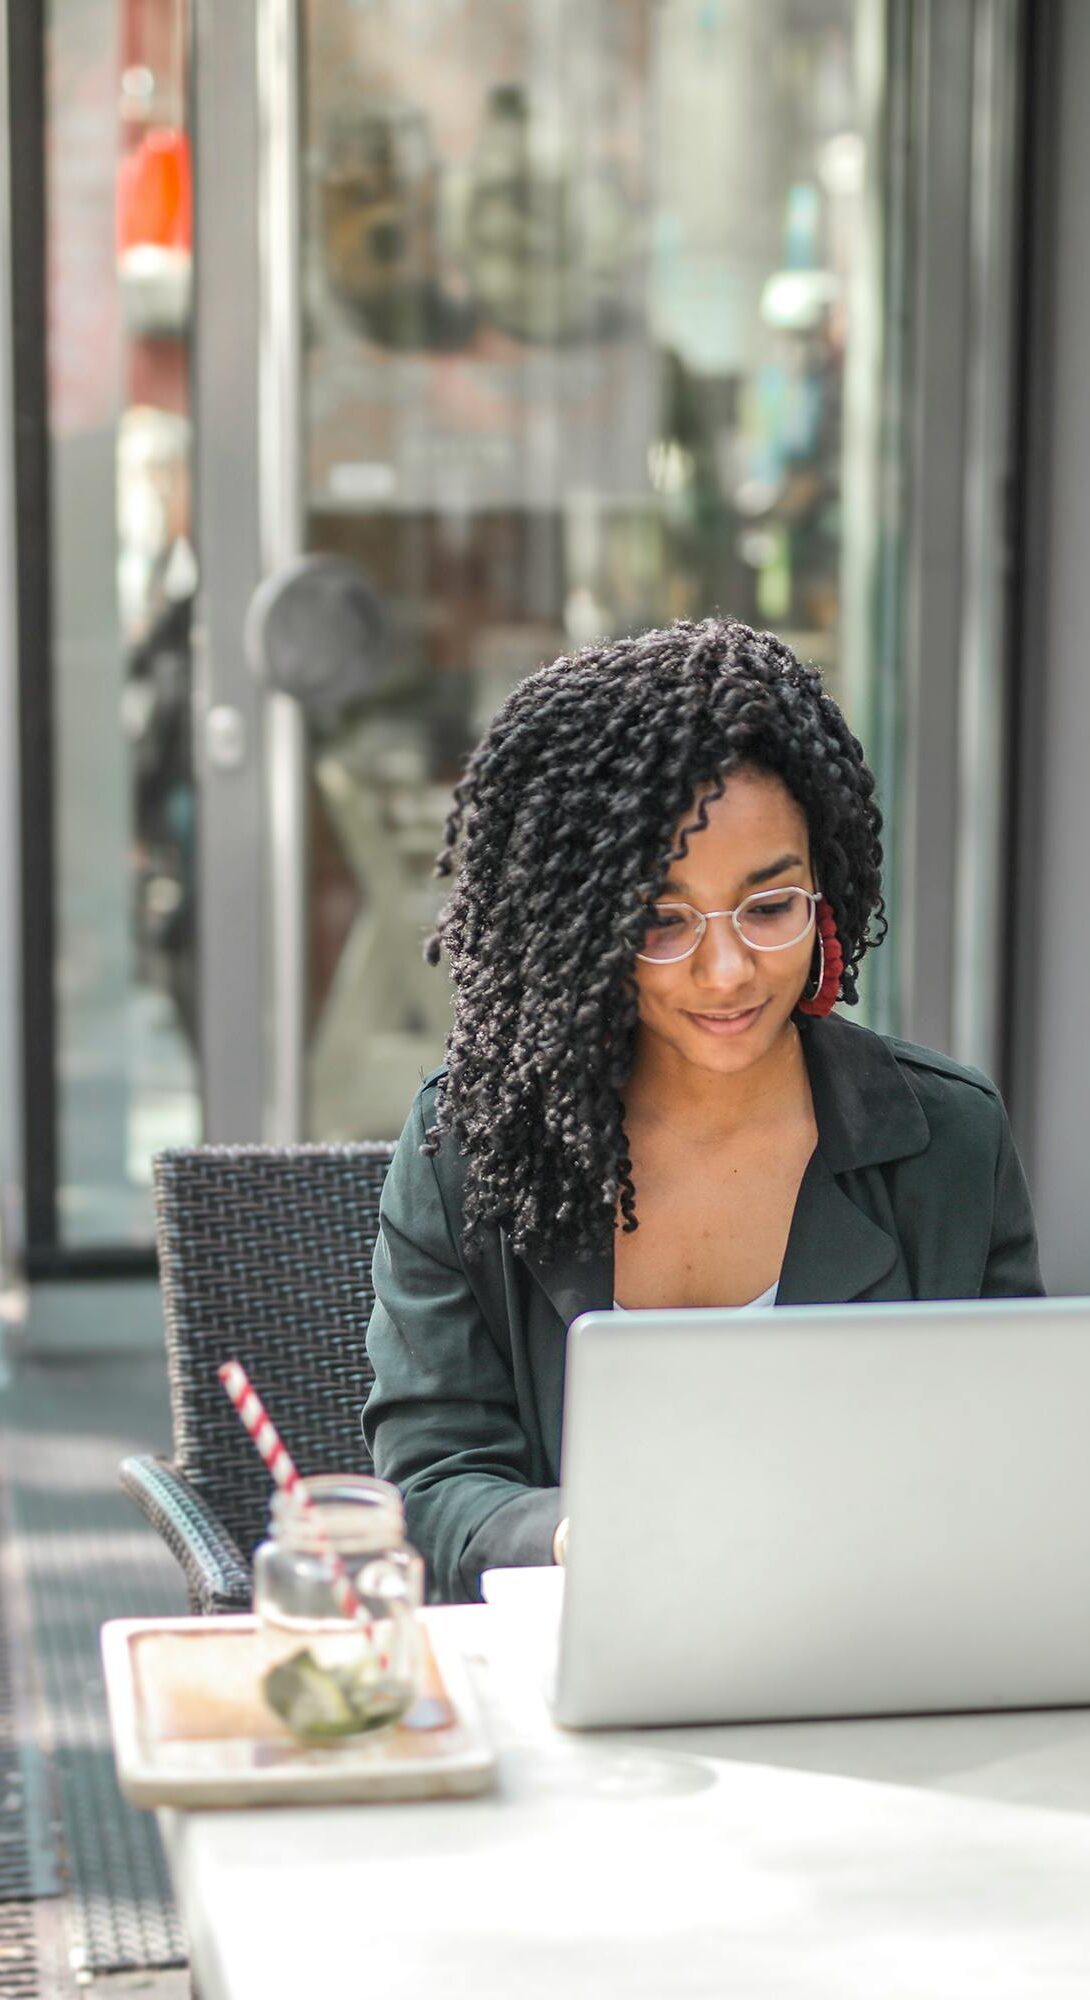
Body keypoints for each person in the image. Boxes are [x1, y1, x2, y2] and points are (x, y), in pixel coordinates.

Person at [363, 620, 1044, 1600]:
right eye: (661, 920)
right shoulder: (470, 1145)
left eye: (770, 908)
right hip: (577, 1677)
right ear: (580, 928)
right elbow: (429, 1490)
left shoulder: (947, 1141)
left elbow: (1013, 1469)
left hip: (877, 1657)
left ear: (829, 893)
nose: (726, 973)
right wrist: (573, 1533)